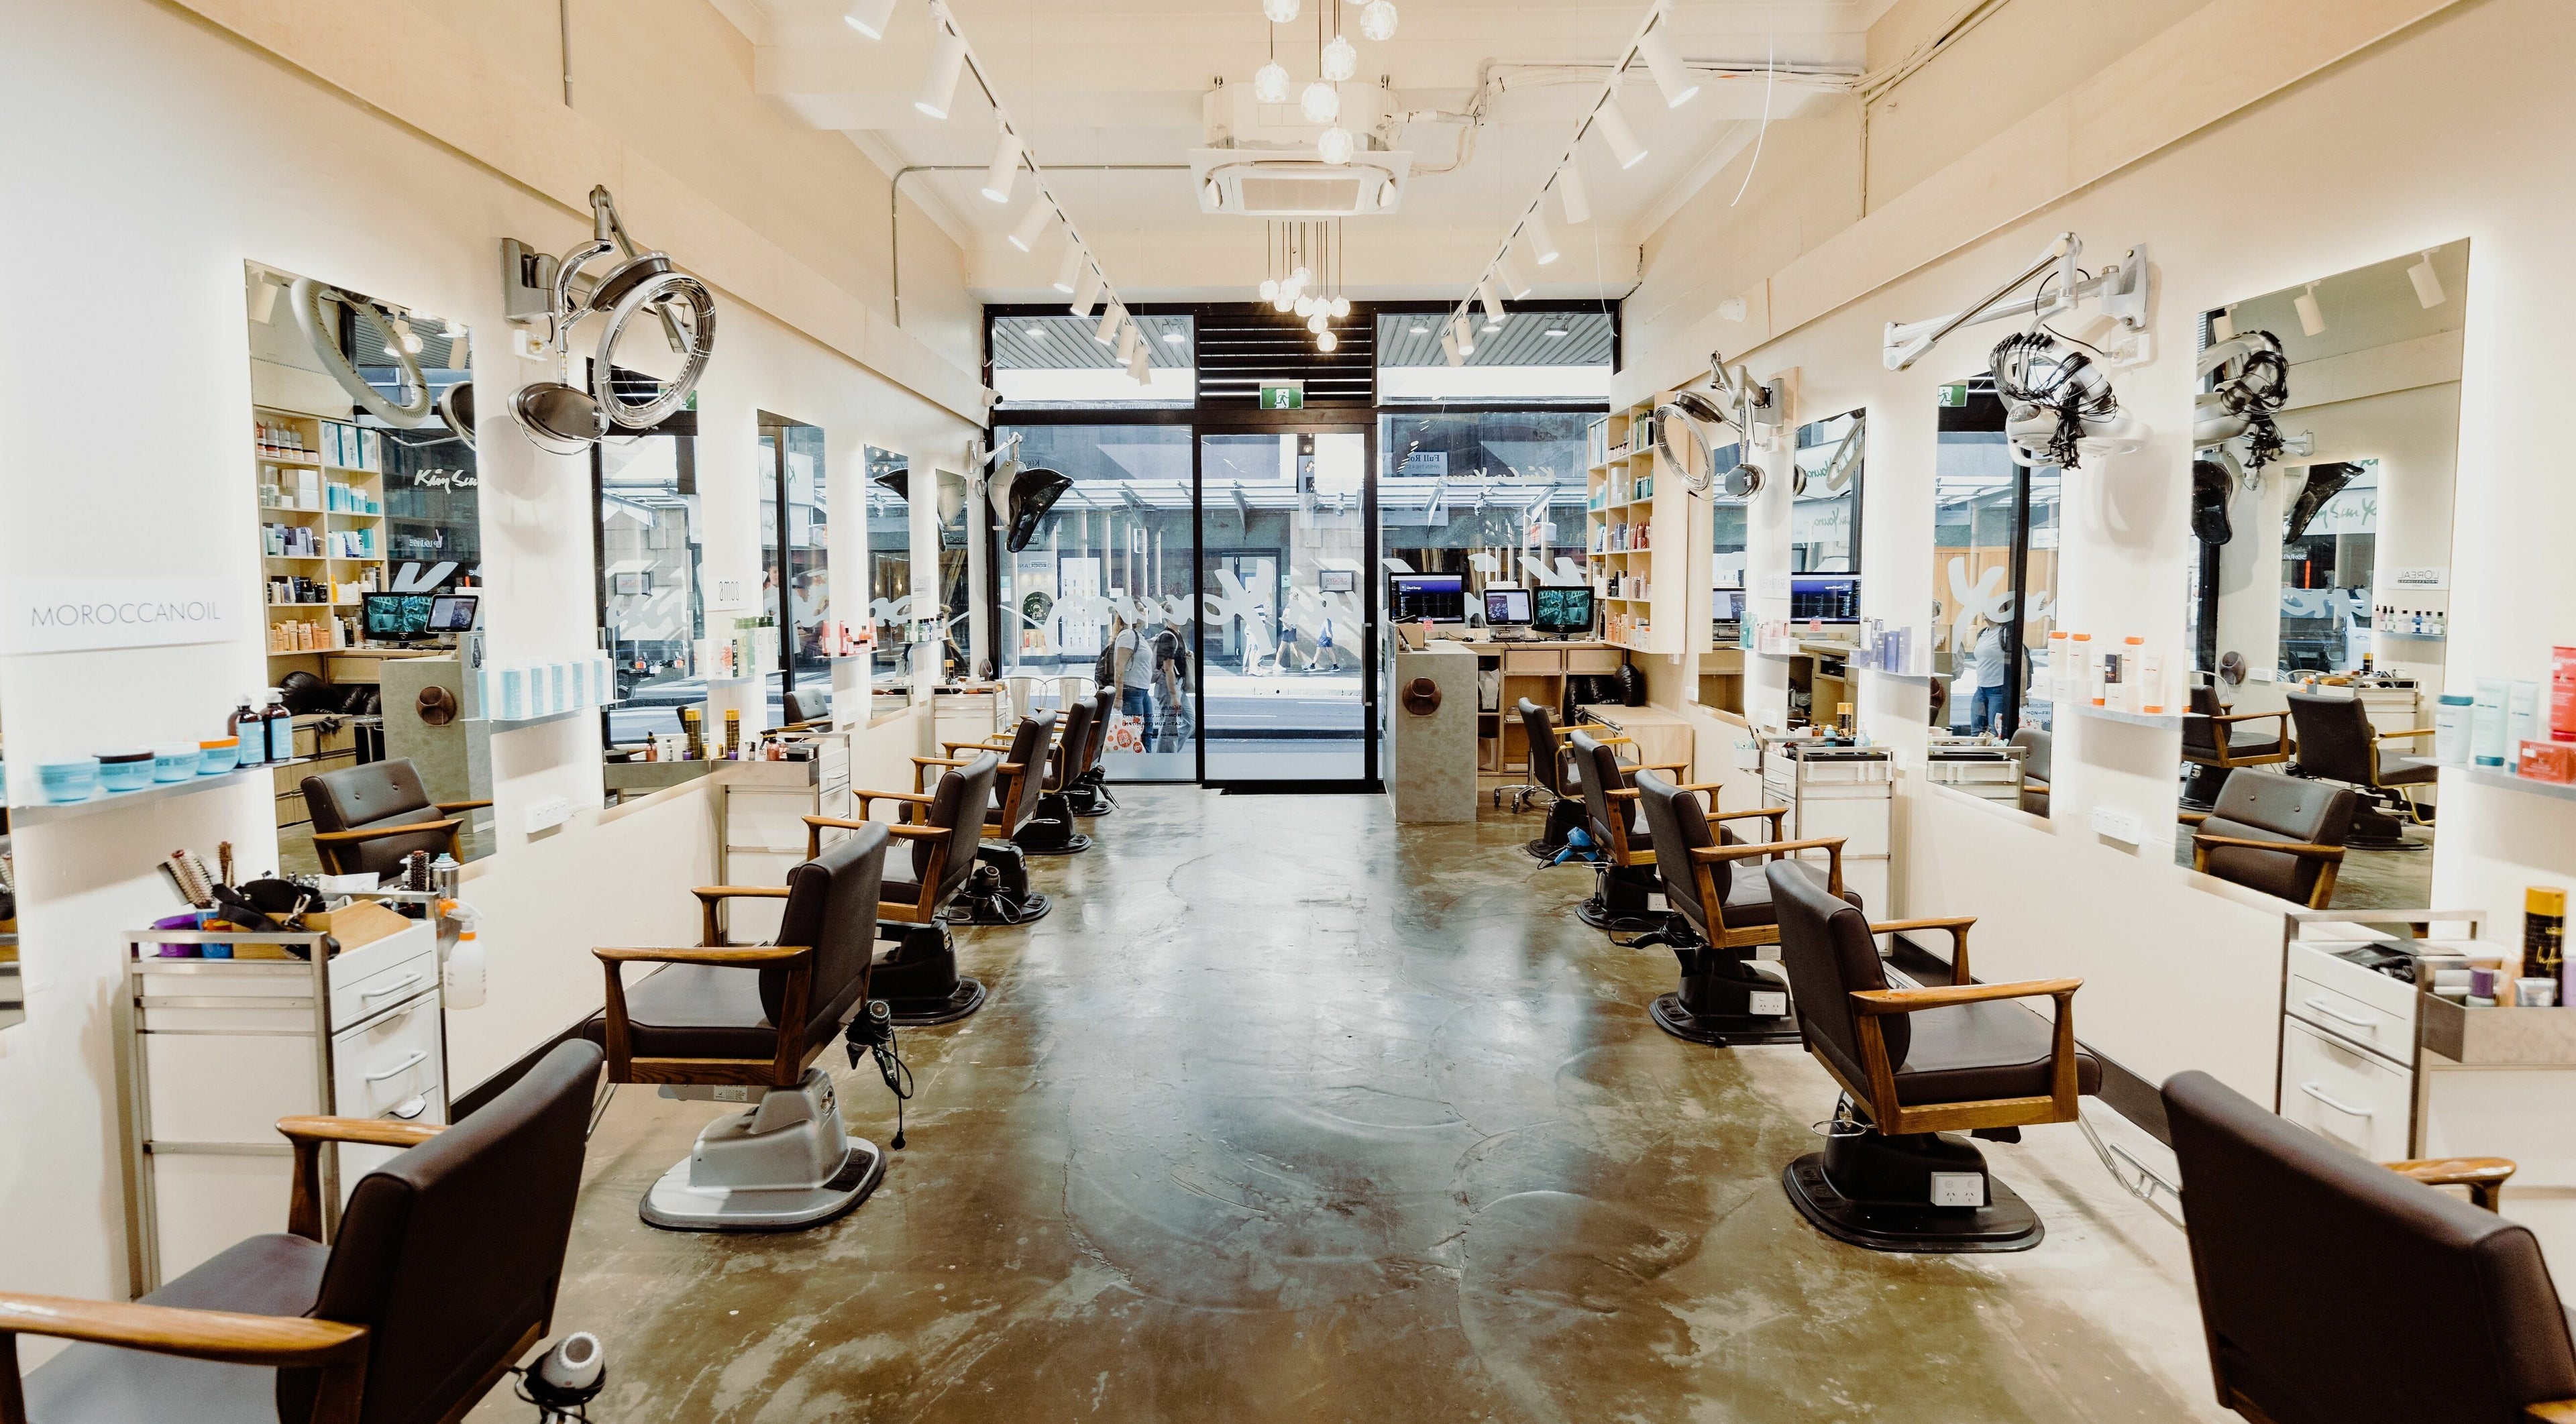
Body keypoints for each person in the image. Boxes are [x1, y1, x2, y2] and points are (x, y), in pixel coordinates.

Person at [1109, 612, 1156, 724]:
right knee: (1136, 730)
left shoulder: (1136, 635)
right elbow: (1119, 665)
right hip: (1132, 690)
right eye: (1140, 610)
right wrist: (1119, 697)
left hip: (1141, 690)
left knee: (1146, 730)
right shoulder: (1128, 635)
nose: (1145, 613)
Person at [1966, 614, 2008, 736]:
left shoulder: (2005, 632)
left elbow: (2020, 660)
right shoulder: (1983, 633)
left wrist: (2022, 695)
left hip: (1998, 689)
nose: (1985, 613)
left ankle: (1994, 754)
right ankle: (1975, 754)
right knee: (1976, 727)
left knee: (1994, 730)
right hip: (1981, 688)